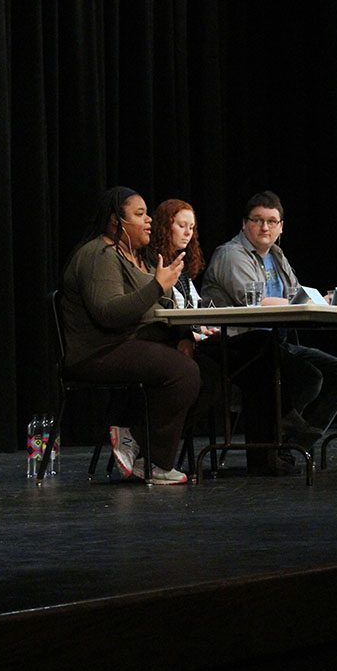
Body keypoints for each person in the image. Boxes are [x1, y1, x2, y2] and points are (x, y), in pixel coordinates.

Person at [61, 186, 219, 485]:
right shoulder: (100, 254)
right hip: (100, 351)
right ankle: (155, 461)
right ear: (115, 222)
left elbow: (157, 306)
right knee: (182, 371)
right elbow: (109, 313)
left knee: (210, 373)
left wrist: (184, 334)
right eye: (140, 214)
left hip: (133, 343)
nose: (149, 220)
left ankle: (137, 440)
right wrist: (158, 286)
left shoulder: (137, 257)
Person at [201, 189, 337, 475]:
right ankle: (290, 435)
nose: (265, 227)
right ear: (244, 224)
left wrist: (321, 300)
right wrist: (306, 301)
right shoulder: (231, 254)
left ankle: (296, 439)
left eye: (272, 221)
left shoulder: (277, 255)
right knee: (308, 376)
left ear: (281, 227)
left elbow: (296, 294)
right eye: (258, 220)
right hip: (239, 346)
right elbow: (256, 301)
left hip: (275, 342)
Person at [150, 198, 220, 343]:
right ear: (164, 227)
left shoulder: (181, 262)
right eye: (182, 226)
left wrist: (204, 331)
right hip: (172, 340)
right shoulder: (154, 263)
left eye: (191, 227)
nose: (188, 233)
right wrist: (196, 335)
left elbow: (193, 307)